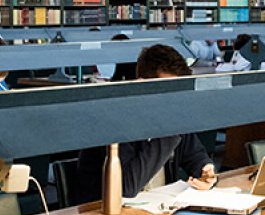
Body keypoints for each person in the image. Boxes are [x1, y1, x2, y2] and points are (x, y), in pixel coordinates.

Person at [77, 44, 217, 202]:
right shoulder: (115, 120)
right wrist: (170, 129)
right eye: (166, 90)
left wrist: (206, 170)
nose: (172, 99)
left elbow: (195, 155)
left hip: (154, 209)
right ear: (141, 85)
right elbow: (127, 187)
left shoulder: (170, 113)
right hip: (103, 214)